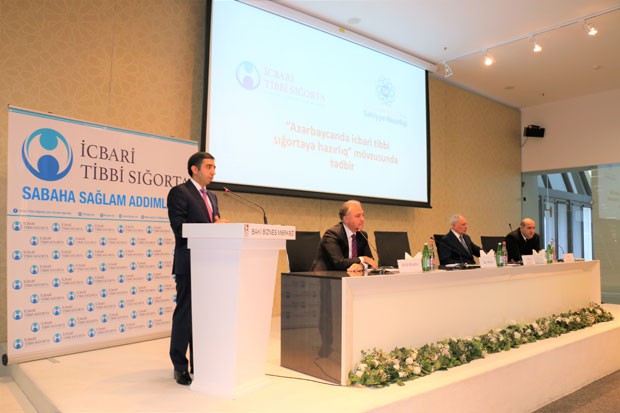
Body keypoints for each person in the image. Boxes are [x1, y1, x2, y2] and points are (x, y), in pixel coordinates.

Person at [167, 151, 228, 385]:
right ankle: (179, 365)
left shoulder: (212, 197)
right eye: (209, 167)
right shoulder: (179, 192)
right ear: (194, 169)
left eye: (214, 167)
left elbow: (213, 223)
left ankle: (199, 362)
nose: (213, 172)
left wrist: (218, 225)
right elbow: (179, 227)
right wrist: (212, 228)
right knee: (185, 315)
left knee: (203, 316)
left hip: (209, 264)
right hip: (189, 262)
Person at [311, 200, 377, 272]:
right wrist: (363, 259)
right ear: (346, 219)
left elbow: (371, 261)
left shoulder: (361, 235)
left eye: (362, 215)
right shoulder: (332, 234)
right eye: (358, 216)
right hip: (326, 276)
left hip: (350, 275)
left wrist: (361, 265)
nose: (362, 219)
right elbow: (339, 263)